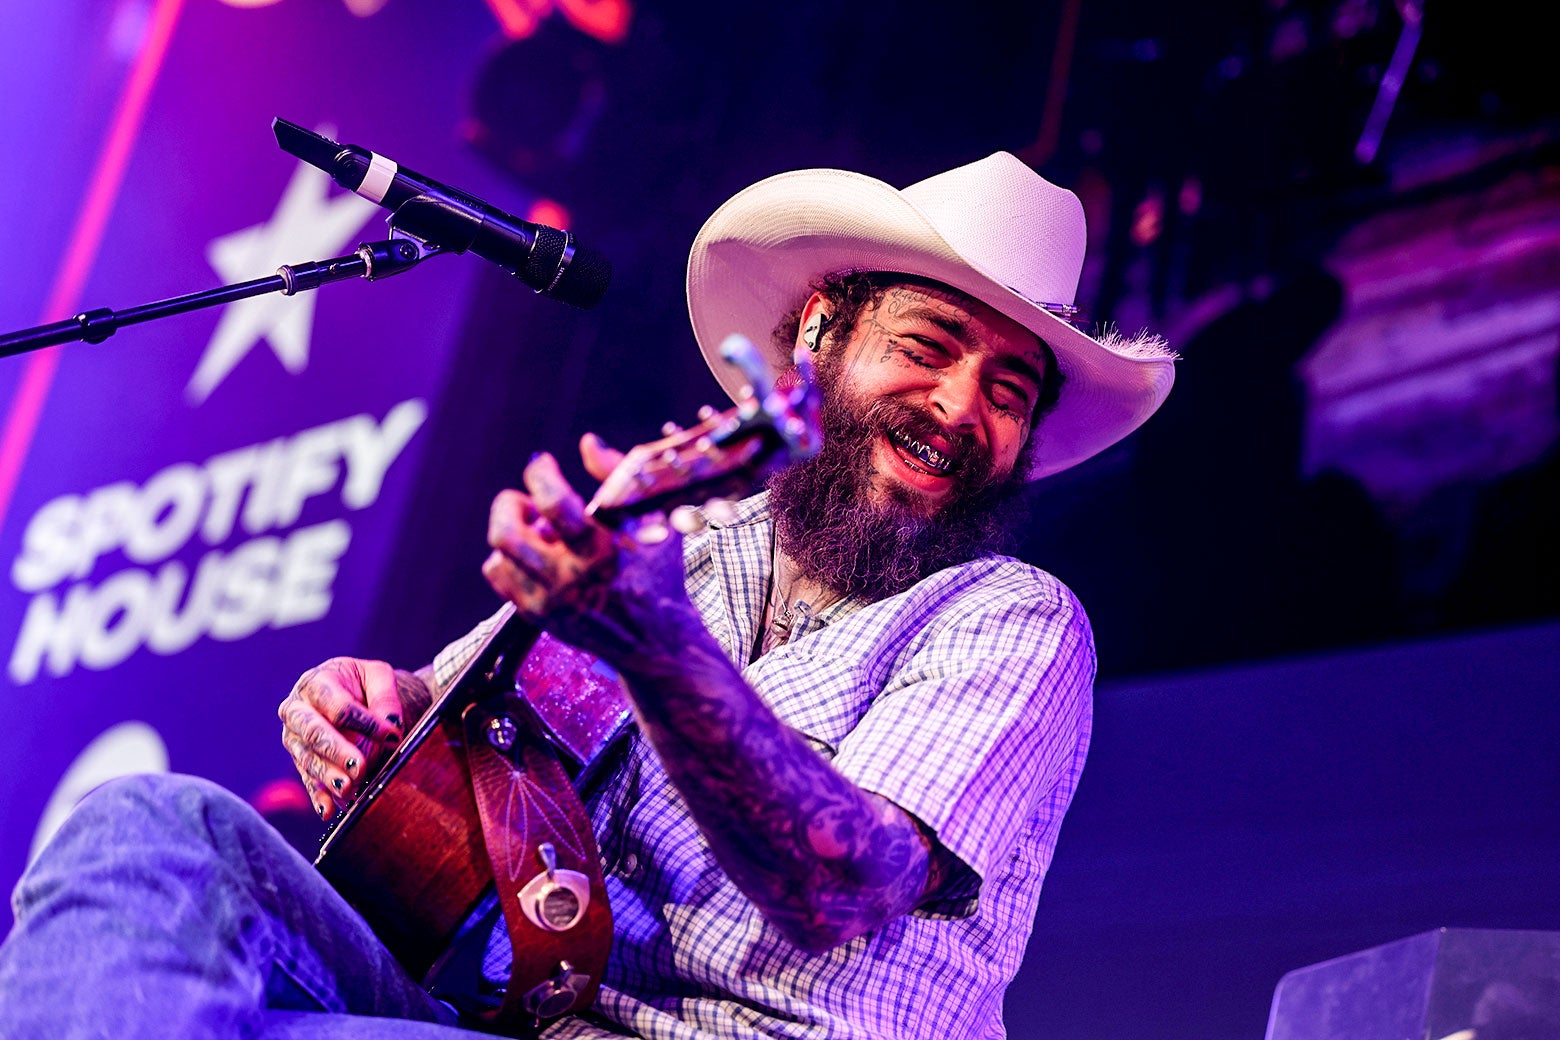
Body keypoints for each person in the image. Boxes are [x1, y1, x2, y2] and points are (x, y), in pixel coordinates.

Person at [0, 152, 1174, 1039]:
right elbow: (435, 727)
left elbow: (841, 882)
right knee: (150, 828)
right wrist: (360, 704)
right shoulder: (679, 545)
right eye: (927, 345)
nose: (962, 406)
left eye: (1008, 387)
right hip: (503, 1019)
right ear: (814, 338)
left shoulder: (1009, 615)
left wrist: (661, 646)